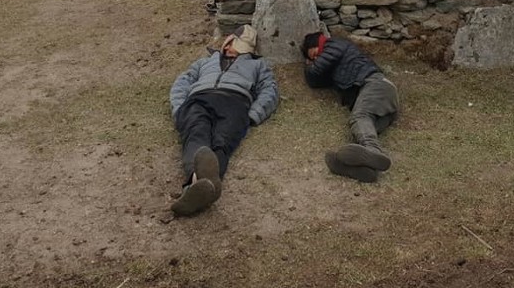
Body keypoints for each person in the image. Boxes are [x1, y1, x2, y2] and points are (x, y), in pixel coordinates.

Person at [168, 24, 278, 216]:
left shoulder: (257, 65)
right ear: (227, 42)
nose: (230, 49)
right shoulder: (204, 62)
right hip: (199, 98)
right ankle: (200, 185)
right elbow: (182, 82)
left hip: (235, 101)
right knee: (196, 134)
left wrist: (253, 115)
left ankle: (196, 187)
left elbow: (270, 90)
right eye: (231, 44)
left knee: (222, 142)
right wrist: (180, 109)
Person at [302, 32, 399, 183]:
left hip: (376, 85)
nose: (315, 59)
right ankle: (365, 170)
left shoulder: (334, 44)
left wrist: (308, 66)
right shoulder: (335, 63)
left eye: (314, 54)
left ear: (318, 44)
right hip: (383, 106)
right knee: (361, 130)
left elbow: (315, 71)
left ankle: (373, 150)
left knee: (359, 117)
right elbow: (315, 81)